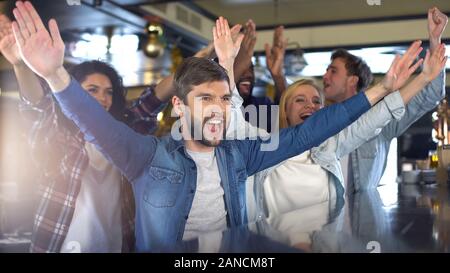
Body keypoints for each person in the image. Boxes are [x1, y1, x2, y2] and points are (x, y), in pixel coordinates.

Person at [12, 2, 413, 251]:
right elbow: (97, 124)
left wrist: (382, 90)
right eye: (205, 99)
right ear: (180, 107)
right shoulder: (144, 156)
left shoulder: (240, 154)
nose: (219, 109)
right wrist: (54, 77)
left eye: (223, 99)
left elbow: (312, 131)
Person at [0, 11, 172, 252]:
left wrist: (201, 61)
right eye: (92, 90)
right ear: (73, 94)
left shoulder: (122, 132)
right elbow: (37, 109)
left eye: (109, 91)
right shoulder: (61, 136)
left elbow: (153, 100)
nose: (103, 98)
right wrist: (19, 64)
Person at [249, 42, 446, 219]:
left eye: (316, 102)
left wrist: (421, 78)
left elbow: (376, 117)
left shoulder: (329, 145)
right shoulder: (266, 150)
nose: (310, 106)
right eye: (301, 101)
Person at [321, 7, 448, 191]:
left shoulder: (381, 120)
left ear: (352, 80)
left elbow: (432, 93)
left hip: (364, 217)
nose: (325, 76)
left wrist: (435, 39)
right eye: (326, 70)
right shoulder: (321, 119)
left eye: (333, 71)